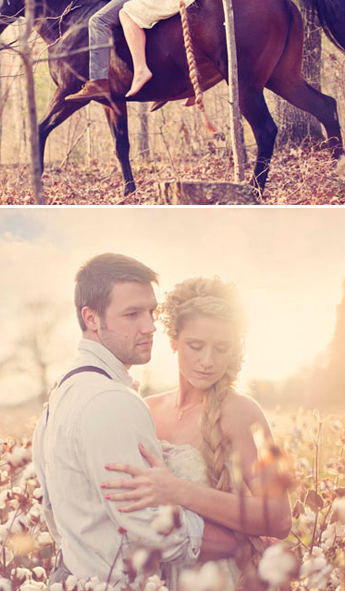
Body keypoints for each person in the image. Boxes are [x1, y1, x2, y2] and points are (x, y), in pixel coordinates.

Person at [32, 251, 205, 591]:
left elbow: (56, 510)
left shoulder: (63, 391)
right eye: (132, 314)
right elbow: (150, 529)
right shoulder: (110, 401)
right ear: (91, 318)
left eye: (151, 312)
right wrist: (231, 540)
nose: (150, 326)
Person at [102, 272, 291, 560]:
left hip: (218, 576)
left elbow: (279, 518)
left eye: (221, 348)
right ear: (174, 341)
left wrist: (178, 491)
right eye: (196, 346)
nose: (207, 361)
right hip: (157, 572)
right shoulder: (146, 408)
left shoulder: (242, 412)